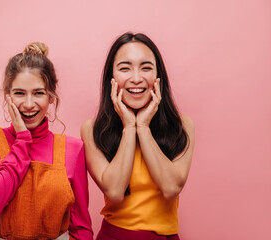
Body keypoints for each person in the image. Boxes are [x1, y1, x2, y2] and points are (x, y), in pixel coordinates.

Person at [81, 32, 195, 240]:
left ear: (158, 77)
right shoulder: (92, 129)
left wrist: (142, 126)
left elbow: (171, 188)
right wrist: (128, 127)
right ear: (112, 79)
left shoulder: (183, 126)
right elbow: (115, 191)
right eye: (125, 68)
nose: (136, 78)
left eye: (146, 67)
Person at [0, 42, 93, 240]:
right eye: (19, 93)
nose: (29, 104)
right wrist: (22, 139)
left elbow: (81, 226)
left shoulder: (74, 149)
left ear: (51, 97)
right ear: (7, 96)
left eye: (39, 93)